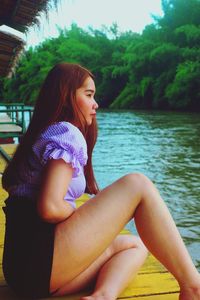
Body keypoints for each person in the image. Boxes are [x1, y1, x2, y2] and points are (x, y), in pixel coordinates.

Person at [2, 62, 200, 300]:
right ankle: (193, 286)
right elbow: (50, 208)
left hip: (24, 274)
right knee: (138, 184)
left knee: (135, 245)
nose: (95, 104)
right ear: (66, 97)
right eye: (89, 95)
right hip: (39, 261)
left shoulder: (42, 133)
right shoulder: (66, 132)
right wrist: (80, 214)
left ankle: (103, 295)